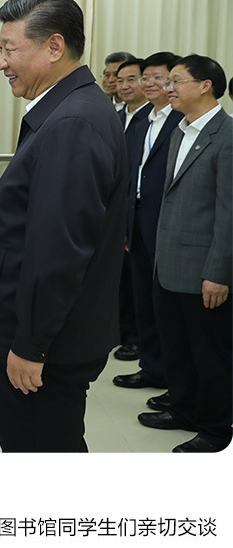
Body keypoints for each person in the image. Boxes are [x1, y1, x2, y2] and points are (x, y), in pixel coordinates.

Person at [0, 0, 127, 452]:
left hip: (38, 343)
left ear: (53, 47)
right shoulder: (71, 110)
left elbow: (59, 251)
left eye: (9, 49)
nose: (0, 63)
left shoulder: (73, 123)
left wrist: (32, 345)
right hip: (34, 331)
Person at [143, 55, 232, 453]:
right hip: (168, 264)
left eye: (176, 81)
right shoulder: (180, 131)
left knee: (210, 355)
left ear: (205, 85)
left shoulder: (227, 136)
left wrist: (219, 273)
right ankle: (183, 410)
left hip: (204, 271)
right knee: (176, 346)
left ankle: (215, 430)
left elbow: (228, 213)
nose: (169, 88)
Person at [113, 52, 182, 395]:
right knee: (144, 300)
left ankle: (175, 381)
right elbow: (131, 178)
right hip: (139, 221)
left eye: (159, 77)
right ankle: (152, 368)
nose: (150, 83)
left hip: (167, 225)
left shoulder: (181, 121)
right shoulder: (143, 124)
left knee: (168, 306)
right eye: (147, 77)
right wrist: (127, 225)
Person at [112, 57, 152, 362]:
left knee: (137, 280)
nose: (124, 86)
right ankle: (118, 330)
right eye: (119, 80)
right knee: (116, 278)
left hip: (139, 212)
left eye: (131, 79)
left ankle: (137, 338)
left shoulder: (153, 119)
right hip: (113, 210)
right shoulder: (114, 117)